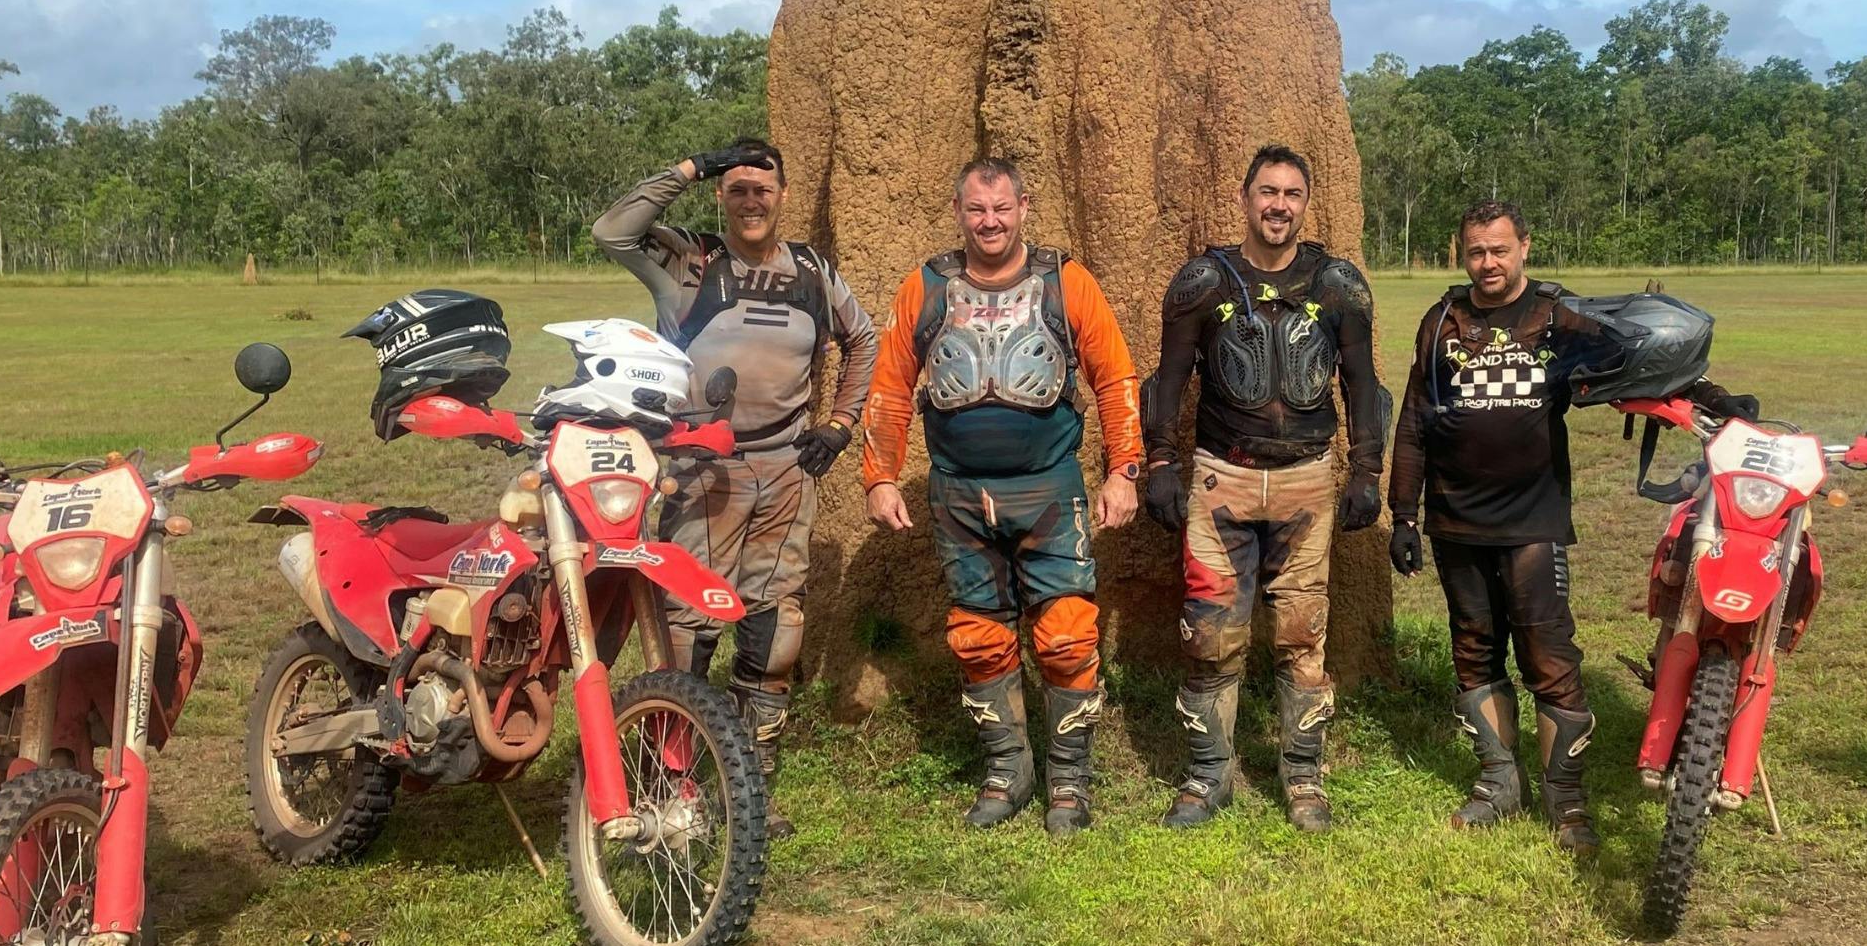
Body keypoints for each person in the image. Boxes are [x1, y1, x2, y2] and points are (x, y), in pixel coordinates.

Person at [1387, 199, 1751, 853]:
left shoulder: (1555, 316)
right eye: (1476, 251)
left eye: (1499, 249)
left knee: (1548, 656)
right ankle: (1499, 782)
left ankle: (1567, 800)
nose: (1488, 262)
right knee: (1473, 650)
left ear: (1523, 246)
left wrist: (1713, 398)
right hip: (1454, 518)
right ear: (1460, 253)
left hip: (1533, 519)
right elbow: (1415, 420)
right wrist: (1402, 514)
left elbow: (1642, 360)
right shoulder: (1440, 320)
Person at [592, 138, 876, 838]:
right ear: (722, 196)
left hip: (787, 469)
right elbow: (610, 230)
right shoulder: (690, 260)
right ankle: (672, 784)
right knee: (687, 630)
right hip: (700, 471)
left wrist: (838, 424)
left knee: (775, 627)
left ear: (782, 196)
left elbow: (864, 340)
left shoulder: (810, 270)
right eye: (738, 189)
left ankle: (750, 786)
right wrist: (693, 164)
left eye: (763, 189)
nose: (752, 201)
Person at [862, 157, 1143, 835]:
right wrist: (878, 475)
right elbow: (891, 385)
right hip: (959, 495)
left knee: (1069, 635)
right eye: (976, 210)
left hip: (1050, 490)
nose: (990, 222)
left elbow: (1116, 377)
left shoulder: (1066, 282)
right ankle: (1007, 771)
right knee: (979, 638)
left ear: (1024, 207)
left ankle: (1070, 784)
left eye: (1002, 208)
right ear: (958, 212)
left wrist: (1124, 469)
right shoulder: (925, 287)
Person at [1140, 144, 1389, 832]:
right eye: (1268, 192)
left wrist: (1366, 471)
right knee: (1210, 634)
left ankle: (1303, 778)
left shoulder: (1338, 286)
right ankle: (1204, 778)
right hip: (1222, 481)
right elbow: (1165, 382)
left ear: (1306, 204)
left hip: (1308, 483)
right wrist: (1159, 464)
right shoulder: (1203, 282)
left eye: (1292, 194)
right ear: (1245, 199)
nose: (1279, 205)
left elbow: (1365, 386)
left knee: (1302, 636)